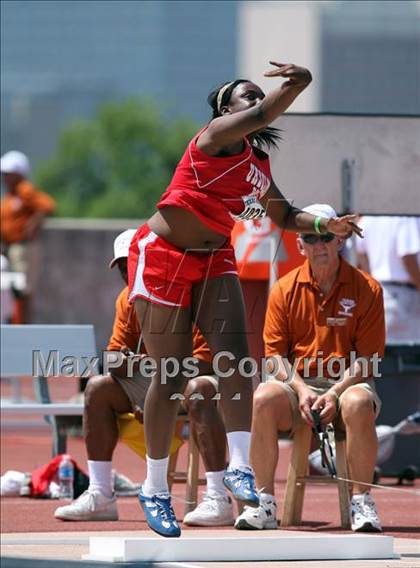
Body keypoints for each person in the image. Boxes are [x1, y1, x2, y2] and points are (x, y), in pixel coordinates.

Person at [127, 62, 363, 537]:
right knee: (169, 375)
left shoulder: (256, 165)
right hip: (165, 255)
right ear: (225, 110)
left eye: (260, 94)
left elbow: (284, 214)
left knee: (237, 360)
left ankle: (239, 465)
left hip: (213, 258)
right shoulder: (213, 137)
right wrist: (297, 85)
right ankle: (154, 487)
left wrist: (324, 226)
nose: (256, 101)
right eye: (246, 95)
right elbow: (261, 116)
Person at [55, 230, 233, 526]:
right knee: (98, 388)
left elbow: (204, 362)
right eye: (122, 267)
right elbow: (112, 357)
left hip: (191, 381)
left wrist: (156, 393)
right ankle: (100, 494)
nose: (128, 272)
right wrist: (121, 363)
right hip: (153, 381)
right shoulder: (127, 298)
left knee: (201, 389)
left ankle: (218, 498)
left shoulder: (192, 294)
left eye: (133, 263)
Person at [235, 203, 384, 533]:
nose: (320, 245)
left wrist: (333, 392)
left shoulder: (368, 288)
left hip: (346, 385)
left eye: (327, 237)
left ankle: (362, 501)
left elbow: (369, 358)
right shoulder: (284, 290)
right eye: (310, 238)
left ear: (340, 240)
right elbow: (274, 356)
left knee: (359, 402)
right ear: (299, 245)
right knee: (262, 396)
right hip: (297, 384)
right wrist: (302, 390)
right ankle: (264, 502)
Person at [0, 150, 56, 322]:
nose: (4, 177)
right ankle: (14, 322)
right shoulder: (11, 195)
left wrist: (33, 223)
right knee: (9, 288)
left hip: (21, 247)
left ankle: (22, 324)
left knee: (21, 289)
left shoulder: (25, 190)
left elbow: (47, 205)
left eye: (8, 174)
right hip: (9, 248)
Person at [356, 216, 420, 343]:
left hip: (379, 293)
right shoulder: (406, 217)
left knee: (382, 352)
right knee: (410, 355)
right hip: (404, 295)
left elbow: (359, 253)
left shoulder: (368, 218)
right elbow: (407, 257)